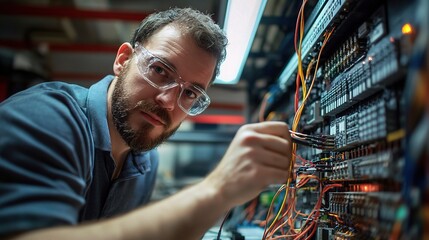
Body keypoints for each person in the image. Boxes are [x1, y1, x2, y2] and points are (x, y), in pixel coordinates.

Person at [0, 7, 292, 240]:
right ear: (123, 59)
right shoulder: (49, 117)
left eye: (189, 93)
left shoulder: (144, 161)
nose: (168, 100)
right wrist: (217, 189)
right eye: (160, 70)